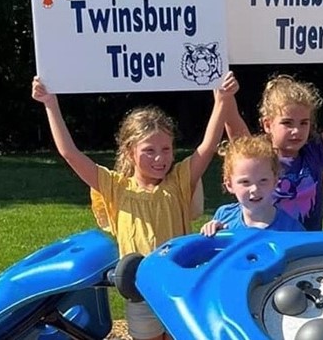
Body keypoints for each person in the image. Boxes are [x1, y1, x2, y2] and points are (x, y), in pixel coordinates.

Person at [31, 73, 238, 340]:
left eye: (166, 149)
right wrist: (50, 104)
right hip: (140, 291)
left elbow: (208, 146)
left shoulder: (178, 180)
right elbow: (70, 154)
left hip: (179, 285)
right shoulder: (116, 187)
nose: (160, 158)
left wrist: (221, 100)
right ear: (130, 152)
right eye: (149, 150)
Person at [224, 38, 323, 231]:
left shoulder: (314, 153)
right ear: (267, 124)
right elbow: (232, 119)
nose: (296, 131)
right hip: (267, 249)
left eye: (304, 123)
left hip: (309, 253)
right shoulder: (257, 157)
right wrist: (223, 92)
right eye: (287, 123)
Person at [200, 135, 304, 236]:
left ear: (275, 181)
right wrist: (211, 232)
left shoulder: (291, 230)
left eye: (263, 180)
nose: (254, 189)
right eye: (245, 182)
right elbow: (211, 251)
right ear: (230, 185)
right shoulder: (224, 217)